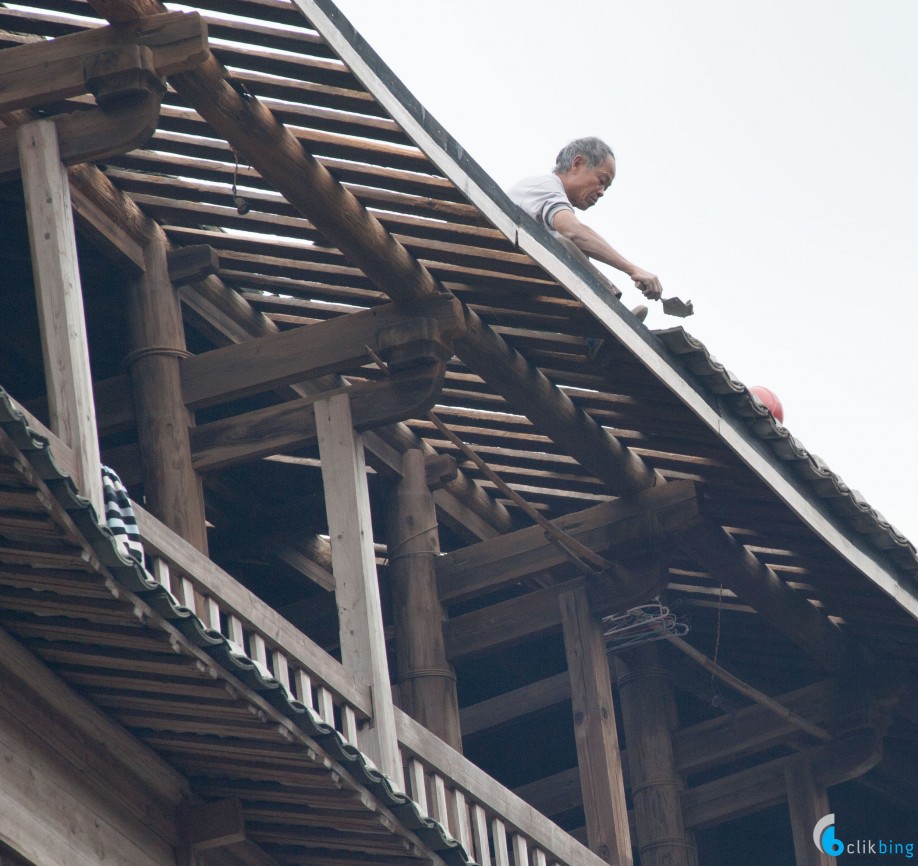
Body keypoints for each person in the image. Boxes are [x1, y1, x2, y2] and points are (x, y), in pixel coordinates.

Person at [508, 137, 662, 324]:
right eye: (601, 180)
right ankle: (606, 313)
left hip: (524, 283)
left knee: (568, 245)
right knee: (565, 242)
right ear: (577, 164)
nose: (601, 191)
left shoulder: (549, 195)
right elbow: (573, 231)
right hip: (510, 265)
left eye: (605, 187)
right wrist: (632, 269)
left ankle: (595, 324)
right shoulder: (545, 186)